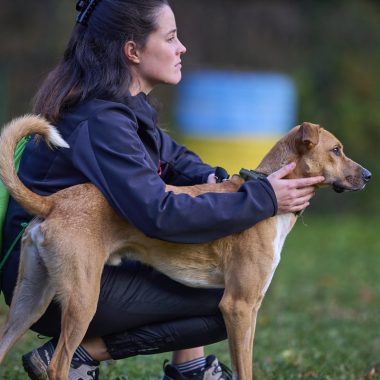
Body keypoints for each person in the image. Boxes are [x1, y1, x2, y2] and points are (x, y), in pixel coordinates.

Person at [0, 0, 324, 379]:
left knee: (215, 282)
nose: (181, 47)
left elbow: (175, 160)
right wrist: (264, 198)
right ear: (133, 51)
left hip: (56, 251)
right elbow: (159, 213)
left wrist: (219, 180)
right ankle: (77, 357)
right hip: (69, 263)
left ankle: (190, 369)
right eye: (170, 38)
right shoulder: (102, 121)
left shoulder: (123, 107)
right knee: (226, 301)